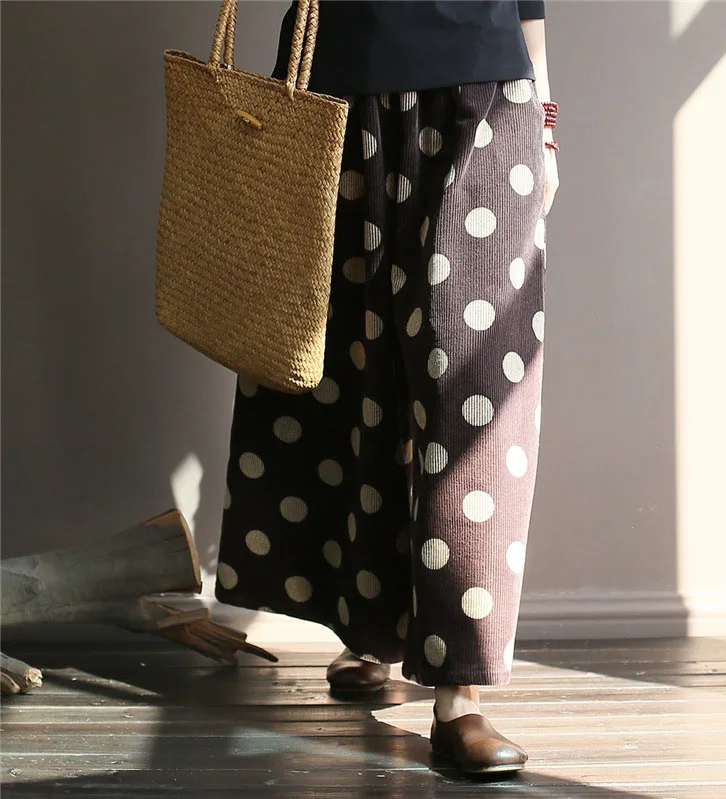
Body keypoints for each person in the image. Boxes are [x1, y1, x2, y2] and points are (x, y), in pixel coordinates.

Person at [214, 0, 559, 776]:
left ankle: (460, 692)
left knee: (476, 392)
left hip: (486, 86)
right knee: (352, 368)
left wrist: (545, 115)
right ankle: (368, 628)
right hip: (338, 83)